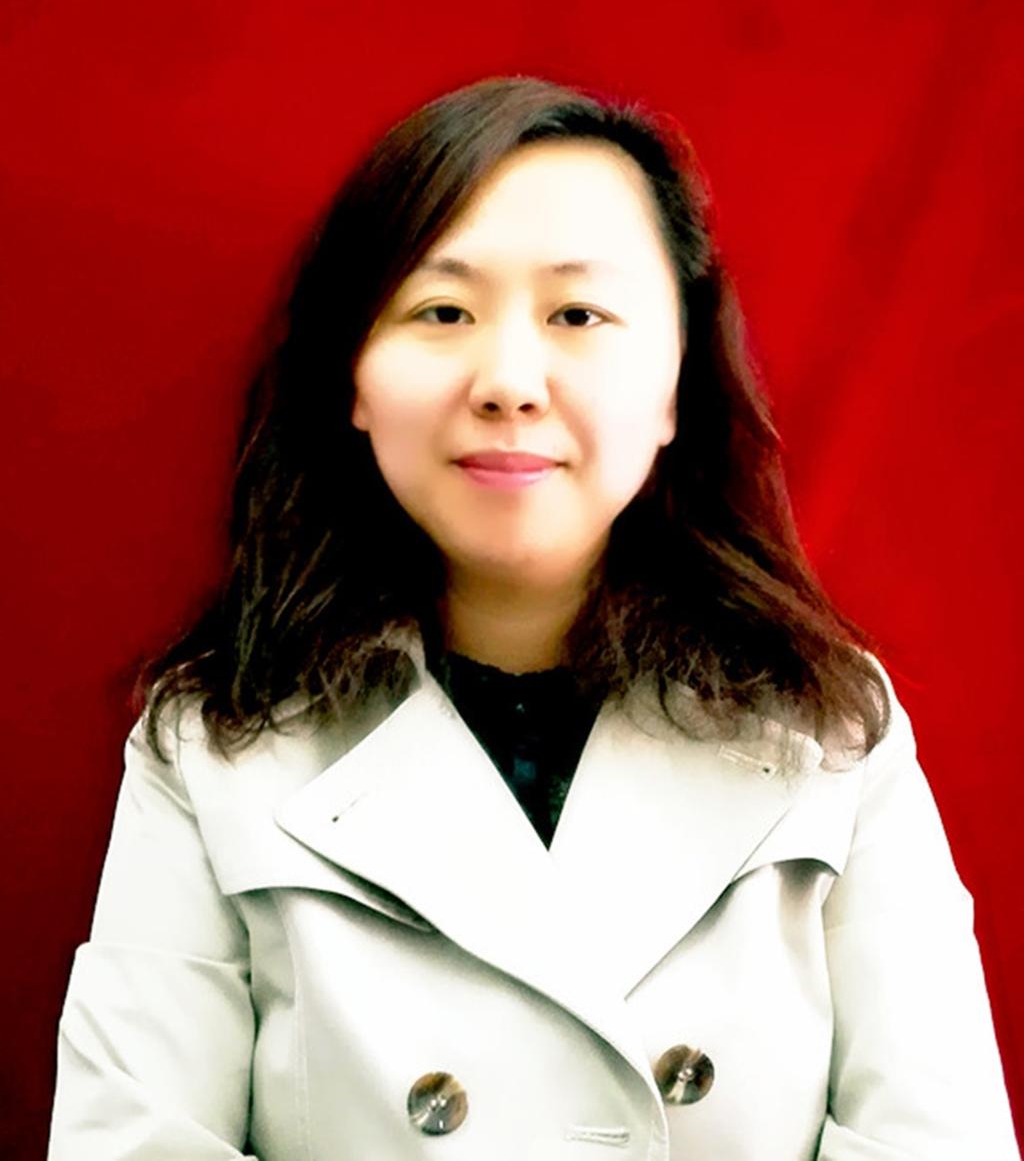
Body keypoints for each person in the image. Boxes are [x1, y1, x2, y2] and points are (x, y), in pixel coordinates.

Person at [48, 76, 1019, 1159]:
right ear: (354, 378)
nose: (509, 382)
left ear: (677, 384)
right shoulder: (214, 742)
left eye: (576, 316)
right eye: (443, 312)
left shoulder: (830, 730)